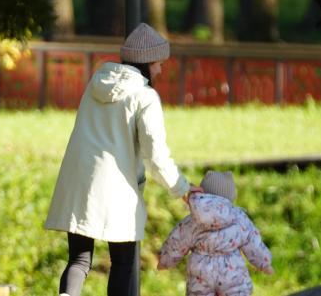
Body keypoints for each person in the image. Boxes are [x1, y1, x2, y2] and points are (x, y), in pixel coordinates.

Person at [44, 23, 202, 296]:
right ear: (147, 63)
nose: (161, 70)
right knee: (123, 262)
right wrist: (184, 189)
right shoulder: (145, 96)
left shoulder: (95, 85)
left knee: (79, 260)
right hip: (117, 189)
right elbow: (156, 154)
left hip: (79, 180)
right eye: (158, 63)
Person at [158, 170, 273, 296]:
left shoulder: (192, 221)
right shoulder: (239, 217)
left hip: (201, 274)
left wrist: (165, 261)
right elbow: (253, 241)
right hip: (232, 273)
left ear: (203, 193)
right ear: (230, 196)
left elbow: (177, 241)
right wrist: (264, 263)